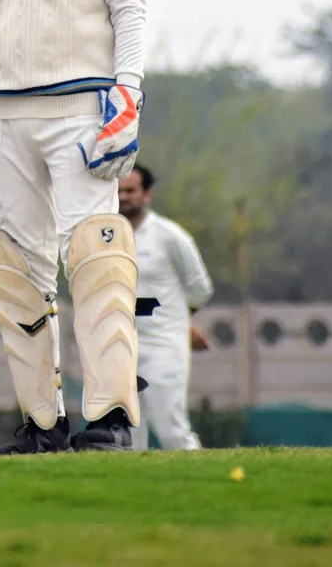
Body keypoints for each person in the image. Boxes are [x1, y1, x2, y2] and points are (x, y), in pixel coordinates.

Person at [0, 0, 147, 454]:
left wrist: (129, 93)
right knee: (17, 271)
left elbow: (129, 7)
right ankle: (42, 426)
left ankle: (109, 418)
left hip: (83, 106)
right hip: (3, 113)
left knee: (97, 258)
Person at [118, 164, 214, 450]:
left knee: (171, 430)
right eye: (119, 190)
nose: (124, 197)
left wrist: (181, 323)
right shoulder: (102, 236)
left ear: (147, 194)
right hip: (118, 346)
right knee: (127, 439)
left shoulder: (170, 236)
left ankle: (203, 488)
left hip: (163, 346)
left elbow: (200, 289)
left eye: (131, 190)